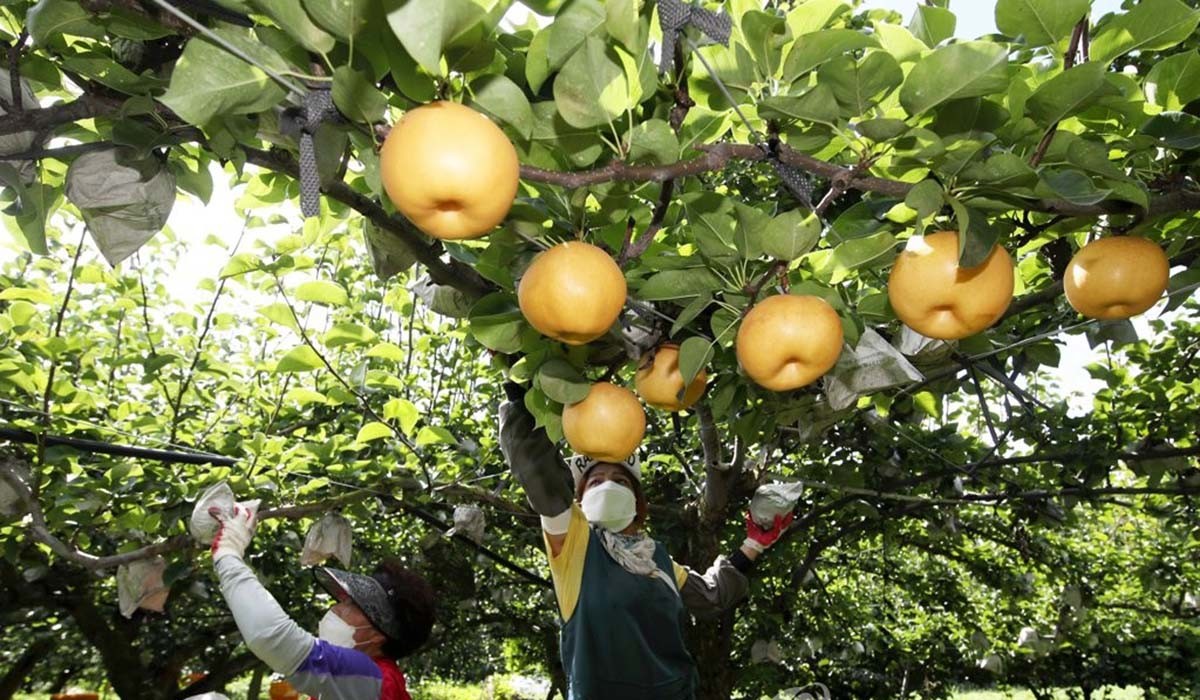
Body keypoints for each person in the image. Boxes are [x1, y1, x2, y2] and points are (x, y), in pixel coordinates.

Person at [498, 384, 792, 700]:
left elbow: (711, 595)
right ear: (580, 502)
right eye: (595, 482)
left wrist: (755, 543)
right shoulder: (575, 545)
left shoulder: (658, 559)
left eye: (621, 481)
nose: (608, 486)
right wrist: (521, 397)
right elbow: (541, 474)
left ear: (638, 504)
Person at [207, 505, 435, 700]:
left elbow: (272, 637)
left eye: (353, 606)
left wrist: (228, 552)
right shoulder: (361, 680)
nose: (336, 609)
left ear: (378, 634)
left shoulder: (374, 680)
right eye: (342, 600)